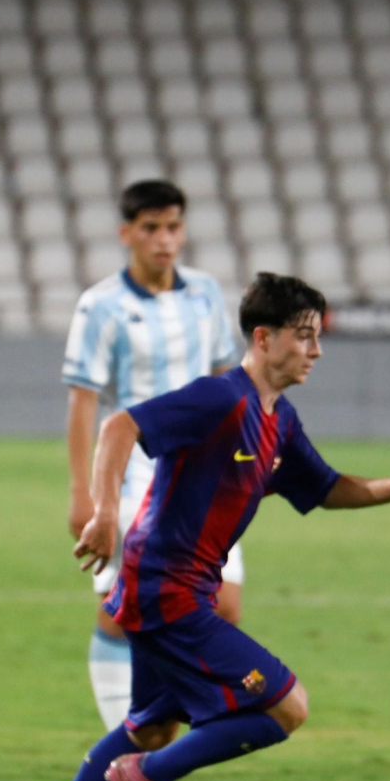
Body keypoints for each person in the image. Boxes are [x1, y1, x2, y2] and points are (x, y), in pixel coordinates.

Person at [15, 273, 390, 781]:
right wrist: (104, 510)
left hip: (174, 590)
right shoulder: (220, 399)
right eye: (304, 337)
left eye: (318, 337)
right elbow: (121, 427)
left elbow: (328, 488)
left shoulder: (279, 421)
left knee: (149, 724)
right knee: (285, 707)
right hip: (164, 589)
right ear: (263, 337)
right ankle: (150, 774)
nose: (316, 350)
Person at [62, 179, 246, 730]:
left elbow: (223, 381)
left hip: (206, 478)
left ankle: (151, 731)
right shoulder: (101, 306)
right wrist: (85, 494)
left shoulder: (205, 294)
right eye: (151, 228)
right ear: (127, 234)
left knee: (223, 606)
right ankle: (127, 735)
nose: (164, 239)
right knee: (126, 610)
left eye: (173, 227)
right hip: (134, 476)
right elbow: (83, 403)